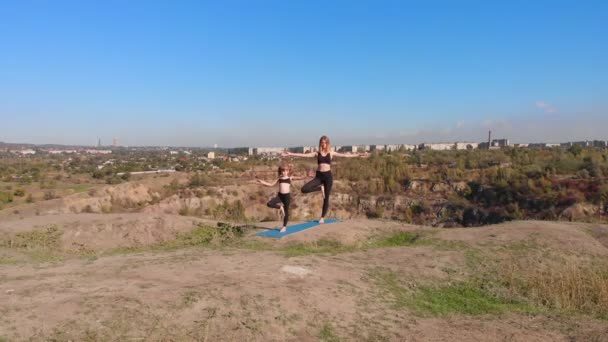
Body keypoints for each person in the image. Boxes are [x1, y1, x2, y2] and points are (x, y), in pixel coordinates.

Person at [282, 135, 368, 223]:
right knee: (304, 189)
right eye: (322, 142)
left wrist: (359, 155)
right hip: (319, 176)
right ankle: (320, 188)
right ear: (320, 143)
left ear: (327, 143)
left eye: (325, 142)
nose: (323, 144)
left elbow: (345, 155)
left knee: (326, 198)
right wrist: (290, 153)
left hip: (328, 177)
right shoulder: (317, 153)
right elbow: (304, 155)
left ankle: (322, 217)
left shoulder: (331, 152)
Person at [255, 163, 307, 233]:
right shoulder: (279, 178)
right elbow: (271, 184)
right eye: (283, 171)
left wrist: (307, 175)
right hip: (280, 196)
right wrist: (262, 182)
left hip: (287, 196)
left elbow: (300, 178)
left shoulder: (290, 178)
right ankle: (280, 207)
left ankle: (284, 227)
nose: (284, 172)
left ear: (288, 171)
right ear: (280, 171)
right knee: (269, 204)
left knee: (286, 213)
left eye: (286, 171)